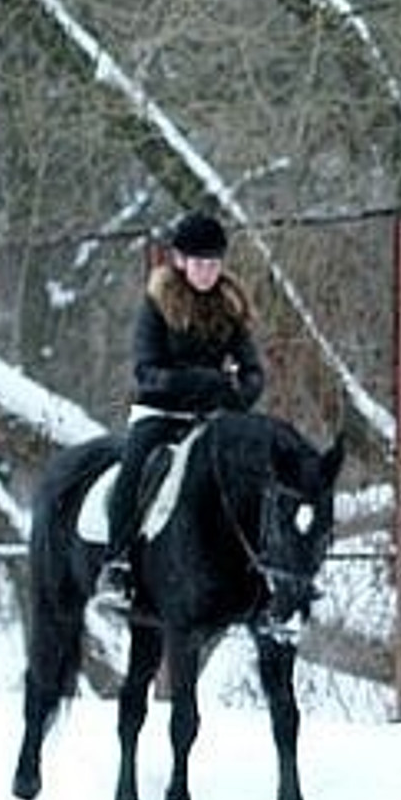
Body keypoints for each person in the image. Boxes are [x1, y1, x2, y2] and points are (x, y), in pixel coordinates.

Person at [94, 210, 265, 612]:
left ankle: (256, 569)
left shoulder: (231, 306)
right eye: (200, 263)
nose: (208, 272)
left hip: (212, 417)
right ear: (181, 261)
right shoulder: (157, 304)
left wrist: (245, 392)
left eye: (214, 263)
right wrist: (201, 382)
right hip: (159, 413)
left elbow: (252, 367)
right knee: (134, 470)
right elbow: (146, 370)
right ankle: (116, 564)